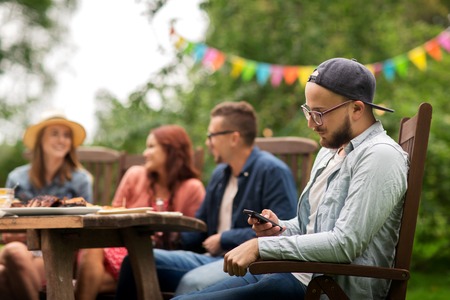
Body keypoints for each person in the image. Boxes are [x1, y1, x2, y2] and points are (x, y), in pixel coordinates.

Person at [173, 58, 409, 300]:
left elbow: (345, 243)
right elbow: (312, 227)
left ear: (357, 109)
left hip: (326, 288)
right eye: (308, 111)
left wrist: (259, 247)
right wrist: (281, 229)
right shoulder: (329, 153)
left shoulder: (380, 155)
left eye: (319, 113)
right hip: (295, 273)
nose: (310, 123)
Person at [115, 101, 299, 299]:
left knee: (191, 282)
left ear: (234, 138)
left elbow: (282, 230)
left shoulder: (272, 171)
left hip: (246, 261)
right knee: (135, 260)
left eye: (211, 135)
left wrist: (224, 238)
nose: (207, 142)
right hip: (208, 259)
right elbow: (201, 227)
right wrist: (169, 238)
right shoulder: (220, 175)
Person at [74, 125, 206, 300]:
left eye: (151, 146)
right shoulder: (135, 175)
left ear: (171, 150)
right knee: (94, 248)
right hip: (122, 245)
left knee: (92, 272)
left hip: (158, 255)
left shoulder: (192, 188)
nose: (145, 153)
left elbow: (195, 236)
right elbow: (112, 215)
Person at [0, 111, 93, 300]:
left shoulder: (80, 180)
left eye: (66, 135)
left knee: (6, 267)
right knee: (9, 259)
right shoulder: (17, 178)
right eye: (55, 134)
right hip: (23, 246)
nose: (62, 140)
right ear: (40, 140)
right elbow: (6, 225)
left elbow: (87, 225)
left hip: (60, 251)